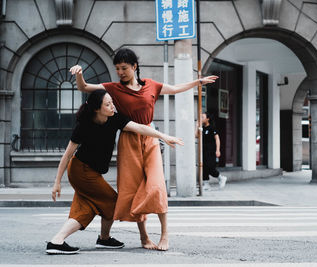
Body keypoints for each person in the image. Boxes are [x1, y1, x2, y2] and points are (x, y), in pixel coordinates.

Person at [70, 48, 217, 251]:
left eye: (124, 68)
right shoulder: (112, 88)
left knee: (157, 185)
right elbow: (84, 87)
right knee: (134, 189)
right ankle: (144, 237)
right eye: (117, 69)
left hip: (149, 137)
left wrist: (197, 82)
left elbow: (174, 89)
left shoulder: (151, 85)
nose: (120, 72)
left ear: (134, 66)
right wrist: (79, 74)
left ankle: (165, 234)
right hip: (129, 139)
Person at [46, 89, 183, 255]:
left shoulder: (114, 119)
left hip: (91, 173)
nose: (112, 106)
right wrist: (57, 183)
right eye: (108, 104)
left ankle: (66, 240)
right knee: (111, 204)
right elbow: (67, 155)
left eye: (112, 102)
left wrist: (163, 136)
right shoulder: (84, 125)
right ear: (97, 108)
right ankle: (96, 239)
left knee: (85, 206)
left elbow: (140, 127)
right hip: (81, 171)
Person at [196, 112, 227, 190]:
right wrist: (197, 126)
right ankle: (206, 184)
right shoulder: (201, 128)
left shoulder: (212, 128)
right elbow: (196, 136)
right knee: (204, 167)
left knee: (210, 167)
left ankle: (221, 177)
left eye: (203, 117)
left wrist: (218, 150)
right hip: (203, 150)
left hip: (211, 151)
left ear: (207, 119)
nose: (201, 119)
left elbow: (217, 139)